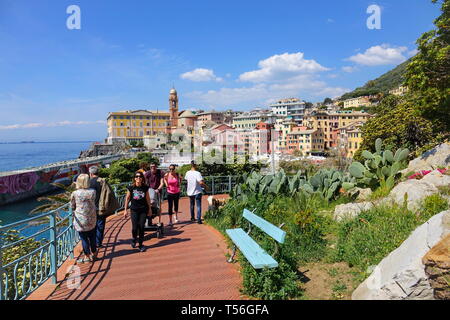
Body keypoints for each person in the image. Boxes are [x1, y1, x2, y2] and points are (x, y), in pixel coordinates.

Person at [70, 174, 97, 263]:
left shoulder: (75, 193)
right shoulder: (93, 191)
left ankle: (87, 256)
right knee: (92, 236)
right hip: (92, 217)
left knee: (84, 238)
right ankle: (94, 253)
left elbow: (72, 205)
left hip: (80, 219)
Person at [124, 171, 152, 252]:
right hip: (134, 210)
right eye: (136, 176)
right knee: (134, 228)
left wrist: (150, 209)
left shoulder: (145, 187)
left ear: (142, 178)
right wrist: (125, 210)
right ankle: (134, 238)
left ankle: (140, 244)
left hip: (143, 209)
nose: (138, 178)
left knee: (142, 227)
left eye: (140, 176)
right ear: (134, 178)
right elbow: (127, 199)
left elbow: (148, 199)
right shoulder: (131, 187)